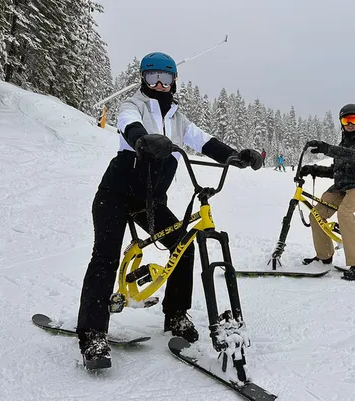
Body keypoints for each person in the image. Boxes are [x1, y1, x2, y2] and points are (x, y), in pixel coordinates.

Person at [76, 52, 263, 370]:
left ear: (174, 81)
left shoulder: (178, 118)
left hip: (150, 203)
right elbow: (128, 126)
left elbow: (204, 141)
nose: (159, 84)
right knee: (104, 258)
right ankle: (92, 334)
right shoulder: (131, 106)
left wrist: (237, 156)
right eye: (152, 78)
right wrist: (143, 139)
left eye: (165, 78)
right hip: (115, 195)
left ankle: (175, 313)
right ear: (143, 80)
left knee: (183, 245)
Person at [298, 103, 355, 281]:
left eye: (353, 119)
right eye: (346, 120)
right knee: (316, 214)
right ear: (341, 122)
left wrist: (327, 148)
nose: (350, 123)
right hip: (341, 186)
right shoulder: (345, 142)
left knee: (345, 214)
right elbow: (336, 170)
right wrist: (314, 169)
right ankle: (324, 257)